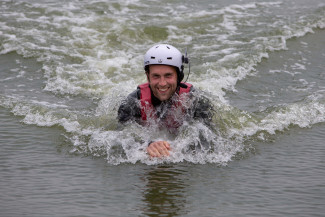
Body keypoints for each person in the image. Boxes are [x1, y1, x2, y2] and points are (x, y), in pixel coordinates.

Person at [118, 44, 213, 158]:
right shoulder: (133, 102)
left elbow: (207, 138)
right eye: (156, 76)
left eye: (168, 75)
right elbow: (122, 135)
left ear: (179, 76)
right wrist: (147, 144)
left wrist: (180, 147)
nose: (162, 83)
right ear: (148, 77)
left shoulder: (195, 101)